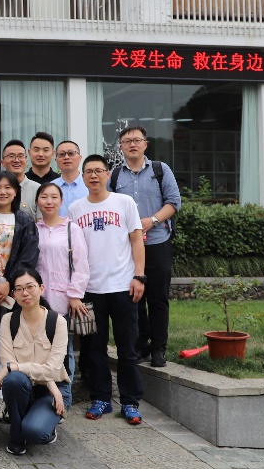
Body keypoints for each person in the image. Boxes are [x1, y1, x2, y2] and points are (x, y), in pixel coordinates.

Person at [70, 154, 146, 425]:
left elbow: (137, 240)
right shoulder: (75, 209)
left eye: (98, 171)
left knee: (127, 348)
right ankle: (101, 397)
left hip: (123, 287)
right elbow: (73, 252)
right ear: (83, 177)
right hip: (90, 290)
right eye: (88, 172)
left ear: (107, 174)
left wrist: (139, 276)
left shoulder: (124, 202)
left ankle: (130, 401)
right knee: (94, 348)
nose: (93, 176)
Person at [111, 125, 182, 368]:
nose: (132, 144)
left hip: (158, 241)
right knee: (135, 297)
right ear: (121, 146)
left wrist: (152, 221)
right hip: (128, 246)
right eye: (127, 141)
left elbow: (174, 202)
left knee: (158, 298)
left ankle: (159, 348)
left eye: (137, 140)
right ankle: (141, 345)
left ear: (145, 144)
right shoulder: (114, 176)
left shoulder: (161, 170)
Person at [0, 170, 40, 417]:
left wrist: (9, 283)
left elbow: (29, 256)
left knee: (18, 346)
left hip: (16, 292)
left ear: (16, 192)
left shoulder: (25, 221)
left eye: (8, 187)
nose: (2, 192)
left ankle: (18, 397)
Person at [0, 267, 71, 455]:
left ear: (41, 288)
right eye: (19, 289)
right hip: (24, 387)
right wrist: (45, 379)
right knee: (14, 380)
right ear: (13, 294)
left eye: (30, 287)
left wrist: (16, 367)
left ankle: (43, 426)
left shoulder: (58, 322)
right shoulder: (8, 321)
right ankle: (16, 437)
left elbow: (52, 370)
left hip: (53, 391)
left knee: (35, 432)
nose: (25, 293)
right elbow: (8, 365)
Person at [34, 182, 89, 321]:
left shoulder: (72, 229)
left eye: (54, 197)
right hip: (36, 296)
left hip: (63, 297)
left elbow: (80, 265)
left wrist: (75, 295)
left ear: (61, 201)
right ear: (37, 201)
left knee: (62, 333)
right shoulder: (33, 230)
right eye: (44, 197)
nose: (49, 202)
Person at [1, 140, 39, 216]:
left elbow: (41, 221)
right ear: (2, 163)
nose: (16, 160)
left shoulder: (37, 189)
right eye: (11, 156)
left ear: (26, 161)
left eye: (21, 156)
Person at [53, 140, 88, 217]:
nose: (66, 157)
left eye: (71, 153)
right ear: (56, 160)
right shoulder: (51, 187)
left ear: (80, 158)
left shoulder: (90, 185)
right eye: (62, 154)